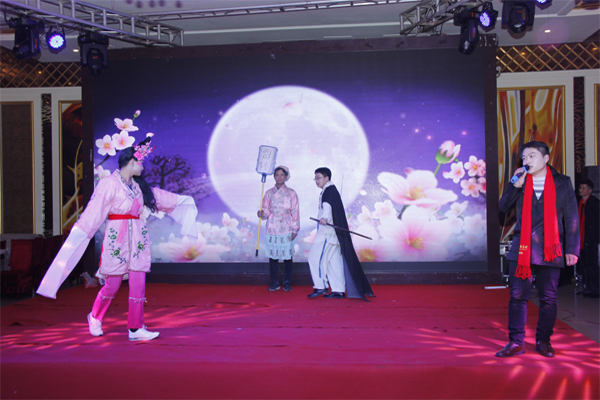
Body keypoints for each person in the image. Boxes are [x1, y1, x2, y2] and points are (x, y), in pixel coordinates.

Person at [37, 136, 198, 341]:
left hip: (138, 240)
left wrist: (185, 201)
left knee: (138, 285)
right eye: (140, 162)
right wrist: (81, 231)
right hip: (117, 240)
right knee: (112, 285)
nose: (142, 166)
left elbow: (160, 198)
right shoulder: (109, 184)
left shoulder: (138, 186)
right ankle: (95, 316)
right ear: (131, 162)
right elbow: (94, 211)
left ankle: (135, 328)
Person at [496, 141, 579, 358]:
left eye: (532, 156)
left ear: (546, 158)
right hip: (522, 247)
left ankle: (544, 341)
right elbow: (503, 207)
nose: (527, 161)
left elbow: (571, 217)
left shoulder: (563, 182)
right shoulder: (520, 180)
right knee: (517, 296)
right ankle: (516, 342)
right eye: (524, 158)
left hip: (550, 248)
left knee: (549, 298)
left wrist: (572, 249)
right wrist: (515, 186)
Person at [307, 167, 374, 301]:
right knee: (334, 262)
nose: (316, 181)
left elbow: (327, 207)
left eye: (319, 178)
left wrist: (324, 218)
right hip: (334, 233)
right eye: (315, 178)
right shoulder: (332, 190)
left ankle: (321, 286)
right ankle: (338, 290)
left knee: (314, 257)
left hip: (327, 232)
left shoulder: (328, 191)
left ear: (327, 178)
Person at [257, 165, 300, 291]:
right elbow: (265, 211)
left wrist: (295, 228)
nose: (279, 177)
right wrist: (261, 214)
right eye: (277, 175)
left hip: (286, 226)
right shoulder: (268, 193)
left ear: (286, 176)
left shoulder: (291, 193)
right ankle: (274, 282)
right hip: (272, 226)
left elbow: (295, 211)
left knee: (287, 256)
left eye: (282, 175)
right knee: (273, 256)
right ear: (274, 176)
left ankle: (287, 282)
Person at [576, 179, 599, 298]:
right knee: (585, 265)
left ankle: (595, 289)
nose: (581, 190)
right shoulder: (580, 202)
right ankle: (588, 287)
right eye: (580, 188)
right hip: (582, 239)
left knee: (592, 265)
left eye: (583, 188)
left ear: (590, 190)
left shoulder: (594, 203)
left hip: (591, 239)